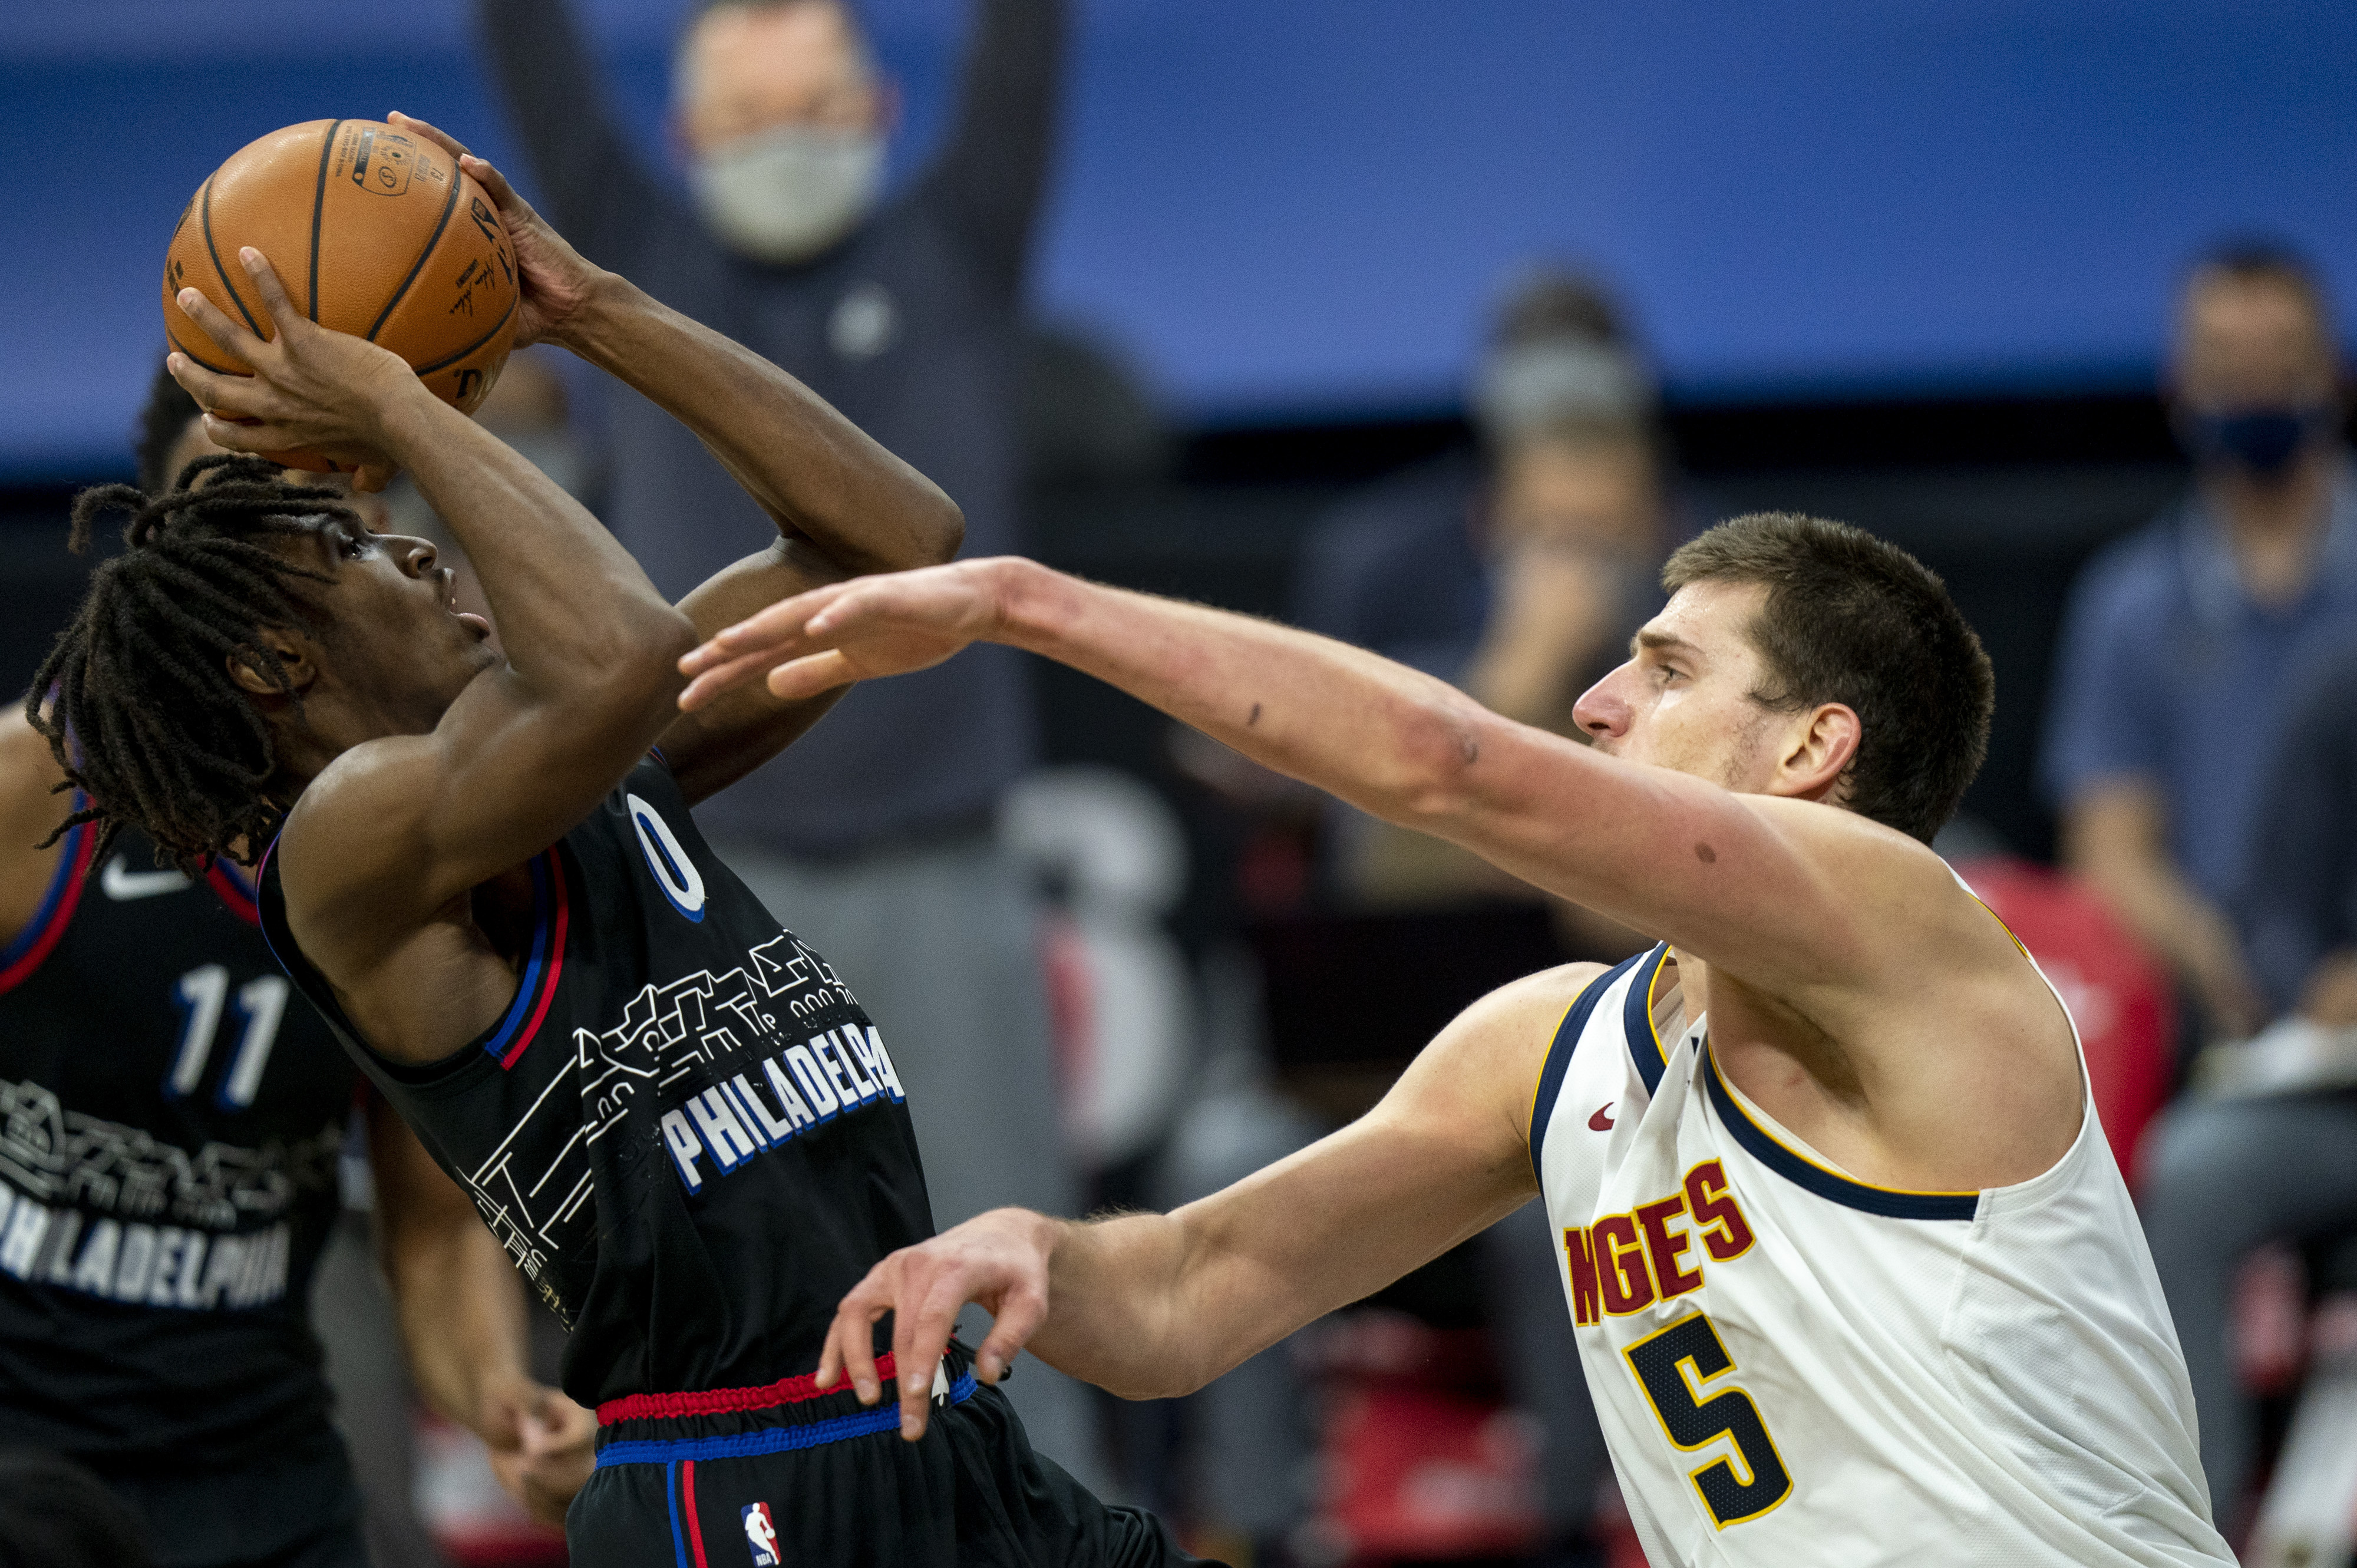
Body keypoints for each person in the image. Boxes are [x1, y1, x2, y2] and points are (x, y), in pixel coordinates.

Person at [45, 119, 1195, 1567]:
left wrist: (596, 311)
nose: (414, 547)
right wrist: (403, 407)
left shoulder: (595, 763)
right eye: (355, 554)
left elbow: (900, 549)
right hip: (738, 1478)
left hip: (931, 1414)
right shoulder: (344, 853)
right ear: (274, 667)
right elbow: (624, 650)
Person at [678, 514, 2237, 1567]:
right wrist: (1036, 1253)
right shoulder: (1552, 1045)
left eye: (1671, 669)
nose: (1599, 697)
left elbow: (1445, 763)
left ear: (1815, 745)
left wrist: (1027, 603)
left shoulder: (1906, 932)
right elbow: (1187, 1294)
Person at [478, 0, 1104, 1471]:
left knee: (1015, 1253)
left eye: (818, 110)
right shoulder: (629, 257)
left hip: (946, 865)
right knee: (750, 1284)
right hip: (718, 883)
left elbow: (1026, 46)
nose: (785, 147)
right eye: (751, 121)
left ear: (883, 112)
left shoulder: (957, 244)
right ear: (685, 141)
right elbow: (528, 47)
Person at [0, 371, 589, 1568]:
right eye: (221, 523)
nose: (254, 557)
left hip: (263, 1477)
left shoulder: (422, 844)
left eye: (317, 522)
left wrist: (493, 1389)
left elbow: (430, 1226)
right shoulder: (26, 794)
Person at [1298, 266, 1683, 920]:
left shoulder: (1721, 587)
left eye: (1598, 534)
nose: (1575, 559)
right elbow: (1367, 873)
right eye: (1549, 533)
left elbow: (1704, 897)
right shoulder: (1383, 569)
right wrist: (1520, 673)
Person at [2043, 242, 2357, 1045]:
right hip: (2216, 1023)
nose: (2255, 386)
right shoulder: (2129, 604)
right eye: (2226, 361)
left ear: (2332, 377)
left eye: (2282, 358)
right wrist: (2227, 964)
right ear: (2180, 389)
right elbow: (2110, 853)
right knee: (2203, 1171)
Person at [2139, 640, 2357, 1527]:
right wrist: (2317, 981)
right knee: (2191, 1169)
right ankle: (2197, 1519)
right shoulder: (2339, 691)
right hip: (2334, 1103)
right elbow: (2273, 915)